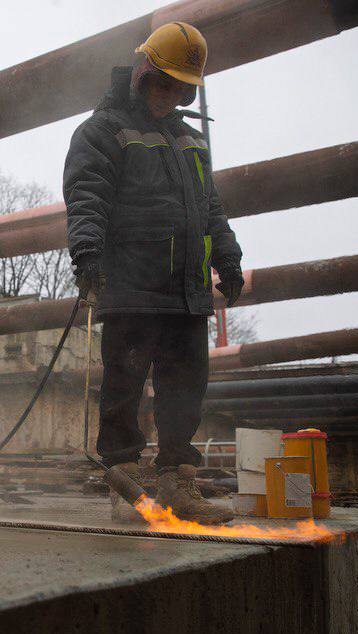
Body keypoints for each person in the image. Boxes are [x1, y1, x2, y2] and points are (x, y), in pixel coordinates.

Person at [63, 22, 244, 524]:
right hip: (133, 283)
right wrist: (87, 256)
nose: (172, 96)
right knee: (124, 384)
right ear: (143, 73)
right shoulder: (102, 131)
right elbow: (87, 198)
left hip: (187, 291)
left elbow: (211, 208)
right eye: (165, 84)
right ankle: (126, 482)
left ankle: (177, 484)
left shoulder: (190, 141)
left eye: (182, 88)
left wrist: (227, 257)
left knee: (185, 388)